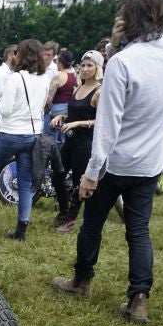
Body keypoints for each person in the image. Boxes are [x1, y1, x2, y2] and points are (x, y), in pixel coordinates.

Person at [52, 0, 163, 323]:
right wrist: (115, 46)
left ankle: (81, 280)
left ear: (129, 20)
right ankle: (139, 298)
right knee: (138, 231)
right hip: (150, 161)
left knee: (92, 224)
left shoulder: (122, 63)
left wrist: (91, 174)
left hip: (115, 162)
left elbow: (108, 126)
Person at [0, 38, 51, 240]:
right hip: (32, 135)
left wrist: (1, 103)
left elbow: (5, 109)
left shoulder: (15, 78)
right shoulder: (44, 79)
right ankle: (22, 227)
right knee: (25, 182)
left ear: (22, 55)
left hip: (10, 134)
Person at [50, 50, 103, 232]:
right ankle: (64, 210)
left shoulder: (99, 91)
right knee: (56, 176)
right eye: (84, 65)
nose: (86, 69)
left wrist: (79, 123)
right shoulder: (79, 87)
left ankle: (71, 220)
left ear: (98, 68)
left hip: (85, 143)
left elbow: (103, 120)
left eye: (90, 65)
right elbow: (74, 112)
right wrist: (62, 117)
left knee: (77, 182)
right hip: (70, 140)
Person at [43, 49, 77, 145]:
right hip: (68, 109)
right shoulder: (73, 74)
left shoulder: (58, 77)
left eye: (56, 61)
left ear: (61, 63)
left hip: (56, 110)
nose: (55, 63)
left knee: (48, 136)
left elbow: (49, 99)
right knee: (62, 138)